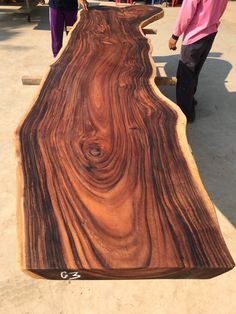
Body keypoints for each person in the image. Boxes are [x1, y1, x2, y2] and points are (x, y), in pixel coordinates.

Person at [169, 0, 228, 122]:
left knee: (185, 75)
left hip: (195, 36)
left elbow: (186, 12)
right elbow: (222, 7)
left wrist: (175, 35)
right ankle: (190, 100)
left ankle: (186, 114)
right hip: (211, 32)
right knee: (195, 71)